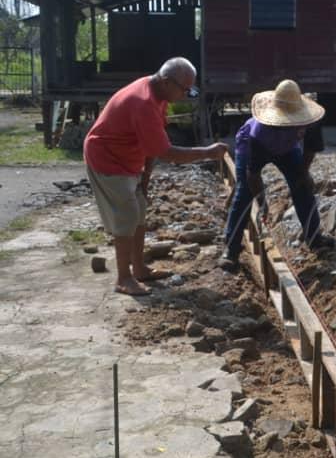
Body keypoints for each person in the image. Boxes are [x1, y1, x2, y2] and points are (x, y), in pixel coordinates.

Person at [83, 57, 228, 296]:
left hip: (128, 158)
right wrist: (208, 153)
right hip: (107, 158)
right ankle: (123, 278)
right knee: (127, 214)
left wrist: (145, 177)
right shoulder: (142, 102)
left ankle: (139, 268)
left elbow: (153, 144)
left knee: (139, 209)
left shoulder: (158, 95)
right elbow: (166, 152)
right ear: (166, 81)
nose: (185, 95)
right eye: (184, 89)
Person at [219, 79, 334, 272]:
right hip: (250, 146)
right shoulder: (259, 133)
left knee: (302, 187)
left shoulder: (312, 121)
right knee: (245, 193)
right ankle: (231, 250)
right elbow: (253, 174)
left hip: (288, 149)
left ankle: (315, 239)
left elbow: (310, 150)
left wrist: (303, 174)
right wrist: (262, 202)